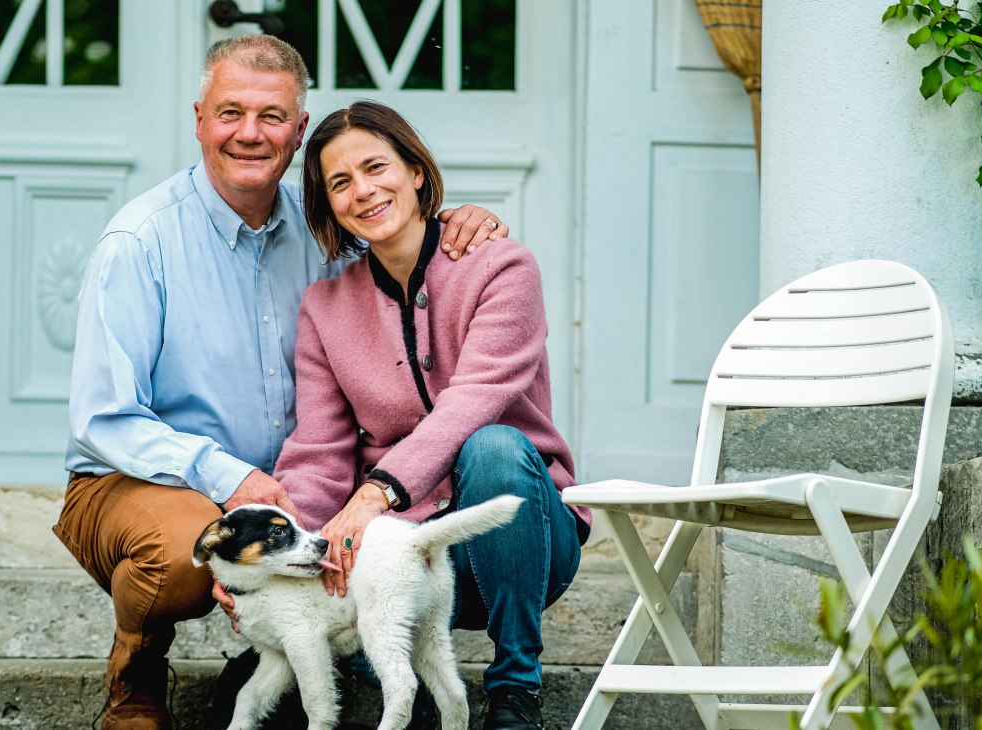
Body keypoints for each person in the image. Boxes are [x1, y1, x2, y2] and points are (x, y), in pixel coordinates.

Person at [53, 35, 506, 730]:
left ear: (299, 131)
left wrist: (459, 222)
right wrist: (228, 476)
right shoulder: (140, 241)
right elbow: (103, 419)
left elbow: (401, 234)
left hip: (298, 489)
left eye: (271, 116)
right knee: (184, 552)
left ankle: (281, 655)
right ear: (199, 119)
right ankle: (135, 678)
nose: (249, 133)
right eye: (230, 113)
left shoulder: (331, 233)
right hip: (143, 480)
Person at [267, 100, 591, 730]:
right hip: (409, 554)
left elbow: (473, 399)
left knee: (493, 445)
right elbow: (319, 451)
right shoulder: (324, 309)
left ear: (416, 171)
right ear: (328, 205)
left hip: (522, 539)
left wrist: (376, 494)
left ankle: (516, 690)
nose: (363, 191)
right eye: (340, 182)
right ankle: (406, 693)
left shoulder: (502, 267)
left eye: (376, 167)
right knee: (360, 590)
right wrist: (292, 545)